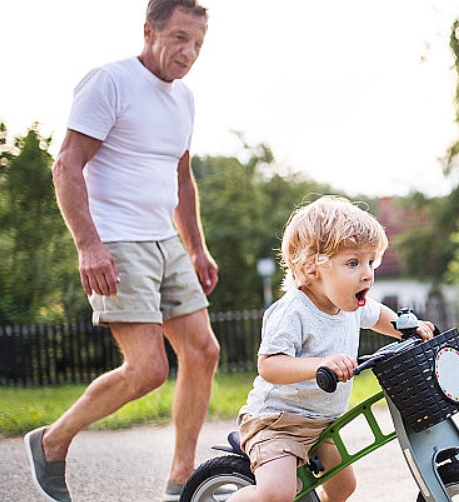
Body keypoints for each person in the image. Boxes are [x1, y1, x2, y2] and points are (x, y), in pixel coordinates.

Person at [23, 1, 221, 501]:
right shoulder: (109, 82)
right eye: (179, 38)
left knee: (203, 352)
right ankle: (51, 441)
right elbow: (66, 164)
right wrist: (88, 246)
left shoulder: (185, 100)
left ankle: (182, 481)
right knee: (149, 368)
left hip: (165, 238)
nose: (189, 53)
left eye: (197, 43)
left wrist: (196, 248)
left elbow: (181, 178)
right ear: (150, 30)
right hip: (117, 239)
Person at [229, 195, 435, 502]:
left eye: (370, 261)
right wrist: (320, 364)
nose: (367, 273)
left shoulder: (350, 305)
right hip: (276, 423)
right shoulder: (292, 312)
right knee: (278, 495)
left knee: (342, 487)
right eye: (353, 263)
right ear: (313, 270)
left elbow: (379, 315)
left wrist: (406, 326)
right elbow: (269, 365)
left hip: (321, 424)